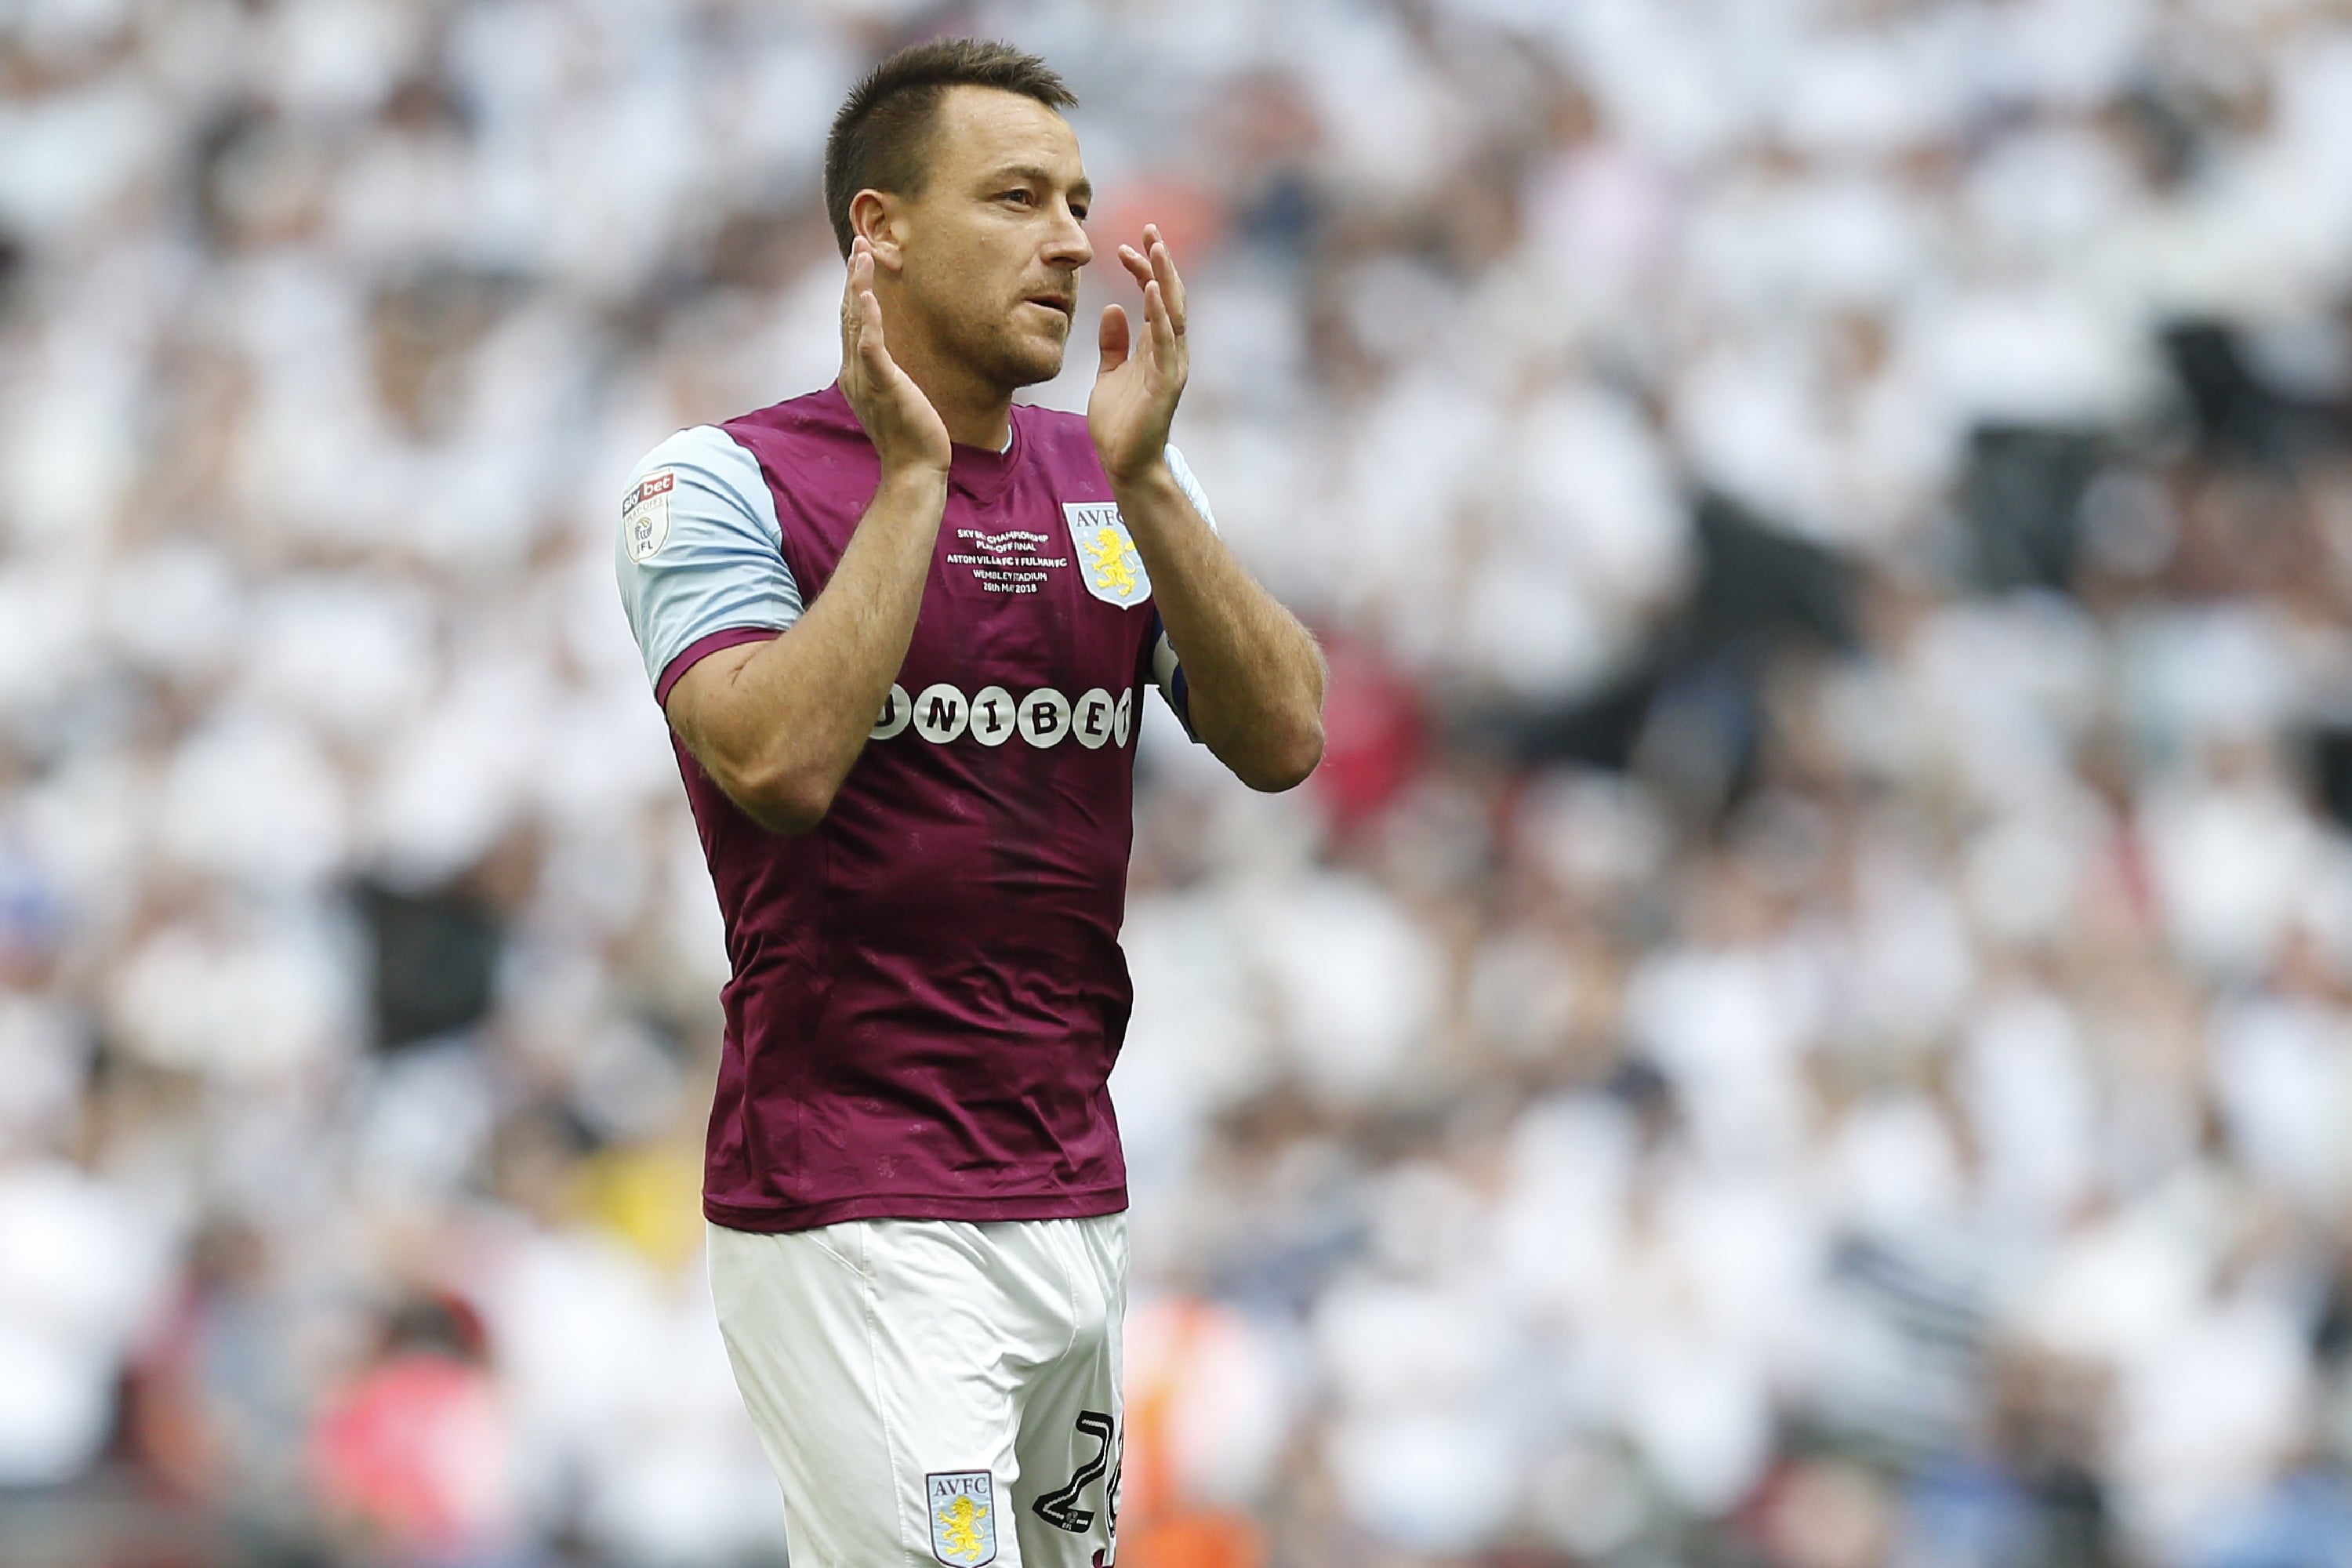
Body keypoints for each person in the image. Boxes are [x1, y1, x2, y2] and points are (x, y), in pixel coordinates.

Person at [612, 37, 1325, 1568]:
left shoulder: (1111, 475)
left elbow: (1283, 735)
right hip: (856, 1194)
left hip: (1073, 1187)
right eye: (1017, 197)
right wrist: (915, 483)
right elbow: (780, 764)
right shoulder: (719, 482)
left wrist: (1148, 492)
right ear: (880, 229)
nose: (1073, 237)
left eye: (1078, 199)